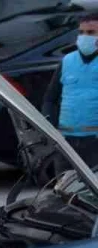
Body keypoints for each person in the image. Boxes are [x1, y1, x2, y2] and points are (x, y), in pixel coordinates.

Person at [42, 11, 98, 168]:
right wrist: (51, 130)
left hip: (94, 142)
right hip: (66, 142)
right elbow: (50, 99)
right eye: (81, 32)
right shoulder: (67, 61)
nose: (85, 37)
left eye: (91, 32)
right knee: (65, 189)